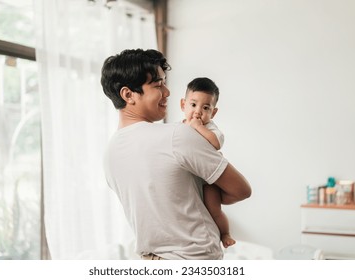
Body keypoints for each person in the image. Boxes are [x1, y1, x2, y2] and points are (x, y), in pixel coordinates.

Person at [101, 49, 251, 260]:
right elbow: (241, 190)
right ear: (128, 94)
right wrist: (208, 196)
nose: (168, 92)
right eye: (158, 84)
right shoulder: (178, 135)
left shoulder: (110, 153)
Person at [180, 77, 235, 248]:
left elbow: (216, 142)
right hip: (189, 176)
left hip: (208, 179)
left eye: (205, 108)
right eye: (193, 105)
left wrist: (198, 127)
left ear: (213, 112)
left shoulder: (210, 128)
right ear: (183, 105)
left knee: (214, 210)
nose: (198, 112)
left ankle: (225, 233)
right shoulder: (179, 128)